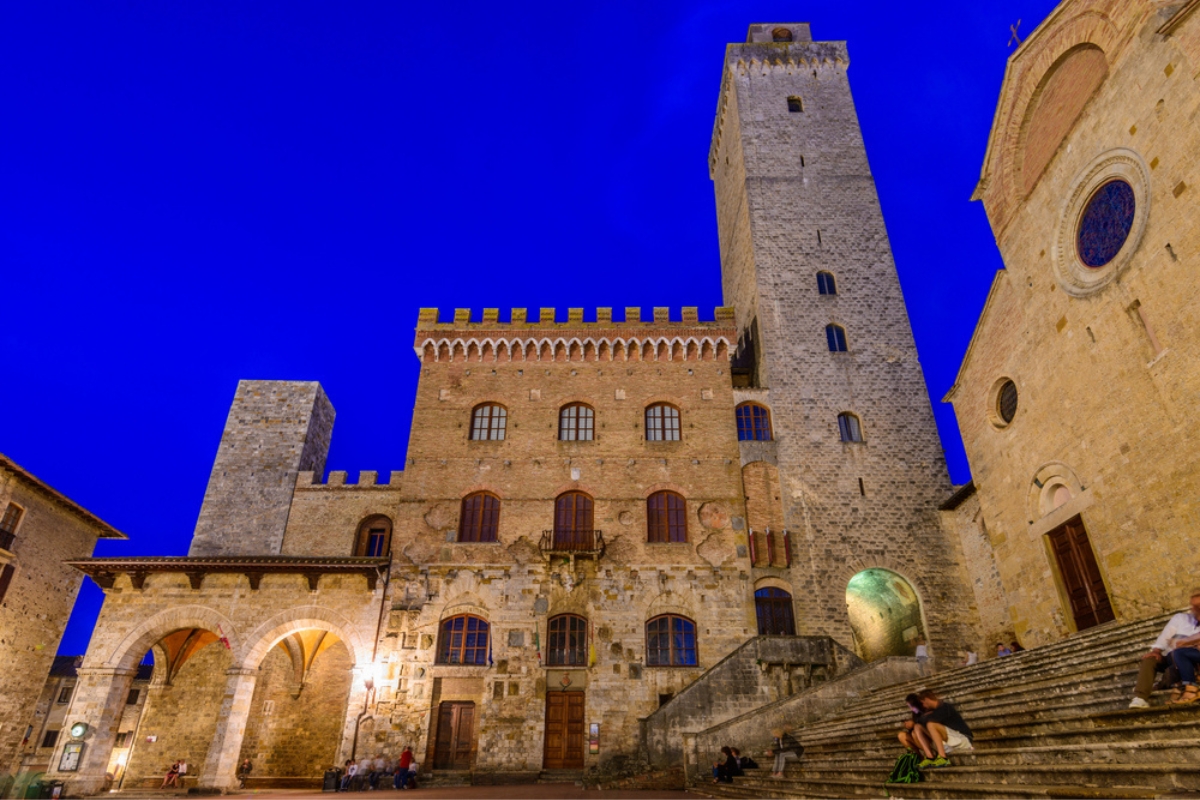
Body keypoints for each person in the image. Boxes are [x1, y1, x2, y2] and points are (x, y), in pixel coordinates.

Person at [1130, 587, 1200, 708]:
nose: (1194, 609)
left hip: (1191, 660)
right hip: (1172, 657)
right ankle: (1140, 698)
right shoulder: (1180, 618)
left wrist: (1184, 642)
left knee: (1177, 659)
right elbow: (1165, 636)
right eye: (1193, 606)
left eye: (1198, 606)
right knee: (1150, 659)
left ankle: (1176, 686)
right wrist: (1156, 650)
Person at [913, 689, 973, 768]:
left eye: (922, 703)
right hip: (951, 739)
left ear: (926, 699)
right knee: (917, 727)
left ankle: (943, 757)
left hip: (963, 738)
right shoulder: (934, 711)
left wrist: (925, 716)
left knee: (931, 724)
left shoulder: (945, 707)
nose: (923, 706)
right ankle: (930, 757)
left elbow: (927, 720)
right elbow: (919, 722)